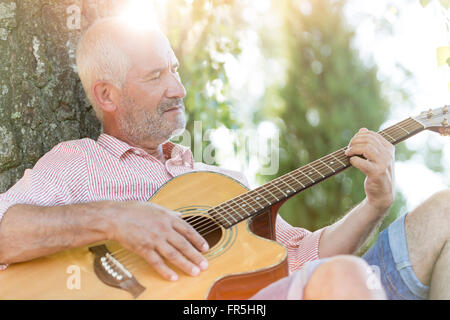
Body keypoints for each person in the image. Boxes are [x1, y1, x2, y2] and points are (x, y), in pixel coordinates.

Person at [0, 17, 448, 300]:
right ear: (107, 95)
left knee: (443, 212)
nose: (177, 89)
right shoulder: (78, 163)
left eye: (174, 70)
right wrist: (117, 219)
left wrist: (375, 204)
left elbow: (307, 256)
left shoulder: (218, 180)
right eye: (156, 76)